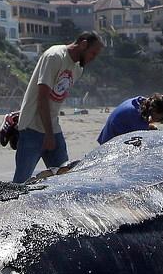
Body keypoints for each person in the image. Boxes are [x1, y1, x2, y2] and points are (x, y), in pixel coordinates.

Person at [13, 31, 102, 183]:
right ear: (83, 44)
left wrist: (51, 133)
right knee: (21, 183)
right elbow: (42, 98)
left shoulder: (77, 69)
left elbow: (56, 99)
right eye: (93, 53)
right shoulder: (54, 56)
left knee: (65, 180)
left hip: (53, 129)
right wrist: (48, 134)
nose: (93, 59)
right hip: (32, 128)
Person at [96, 93, 163, 144]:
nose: (159, 121)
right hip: (109, 145)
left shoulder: (139, 101)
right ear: (156, 111)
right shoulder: (137, 118)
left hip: (105, 136)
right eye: (160, 118)